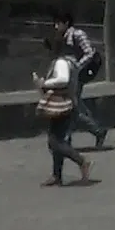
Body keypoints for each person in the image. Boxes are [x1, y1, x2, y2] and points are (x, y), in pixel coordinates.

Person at [33, 40, 92, 187]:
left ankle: (82, 161)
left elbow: (63, 80)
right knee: (57, 139)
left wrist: (43, 84)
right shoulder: (68, 62)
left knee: (55, 142)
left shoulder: (61, 62)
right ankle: (56, 175)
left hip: (63, 105)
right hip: (67, 103)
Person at [54, 10, 108, 149]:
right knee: (75, 106)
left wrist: (76, 67)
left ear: (66, 23)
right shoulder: (63, 36)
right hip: (72, 75)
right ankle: (96, 130)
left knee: (72, 106)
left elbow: (89, 52)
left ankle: (68, 138)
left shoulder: (78, 34)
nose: (56, 27)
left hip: (80, 73)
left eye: (58, 23)